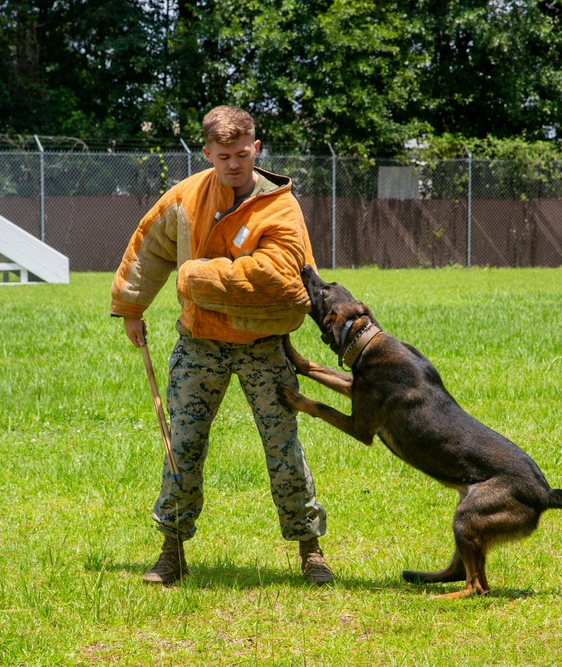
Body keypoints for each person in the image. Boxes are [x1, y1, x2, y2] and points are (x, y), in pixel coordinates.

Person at [110, 105, 331, 585]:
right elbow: (149, 247)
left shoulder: (280, 207)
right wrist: (131, 307)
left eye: (241, 154)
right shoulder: (187, 197)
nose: (234, 164)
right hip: (199, 343)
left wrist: (194, 276)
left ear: (256, 148)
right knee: (182, 447)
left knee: (283, 447)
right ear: (207, 153)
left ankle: (309, 549)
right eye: (223, 155)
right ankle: (171, 551)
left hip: (263, 344)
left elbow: (278, 279)